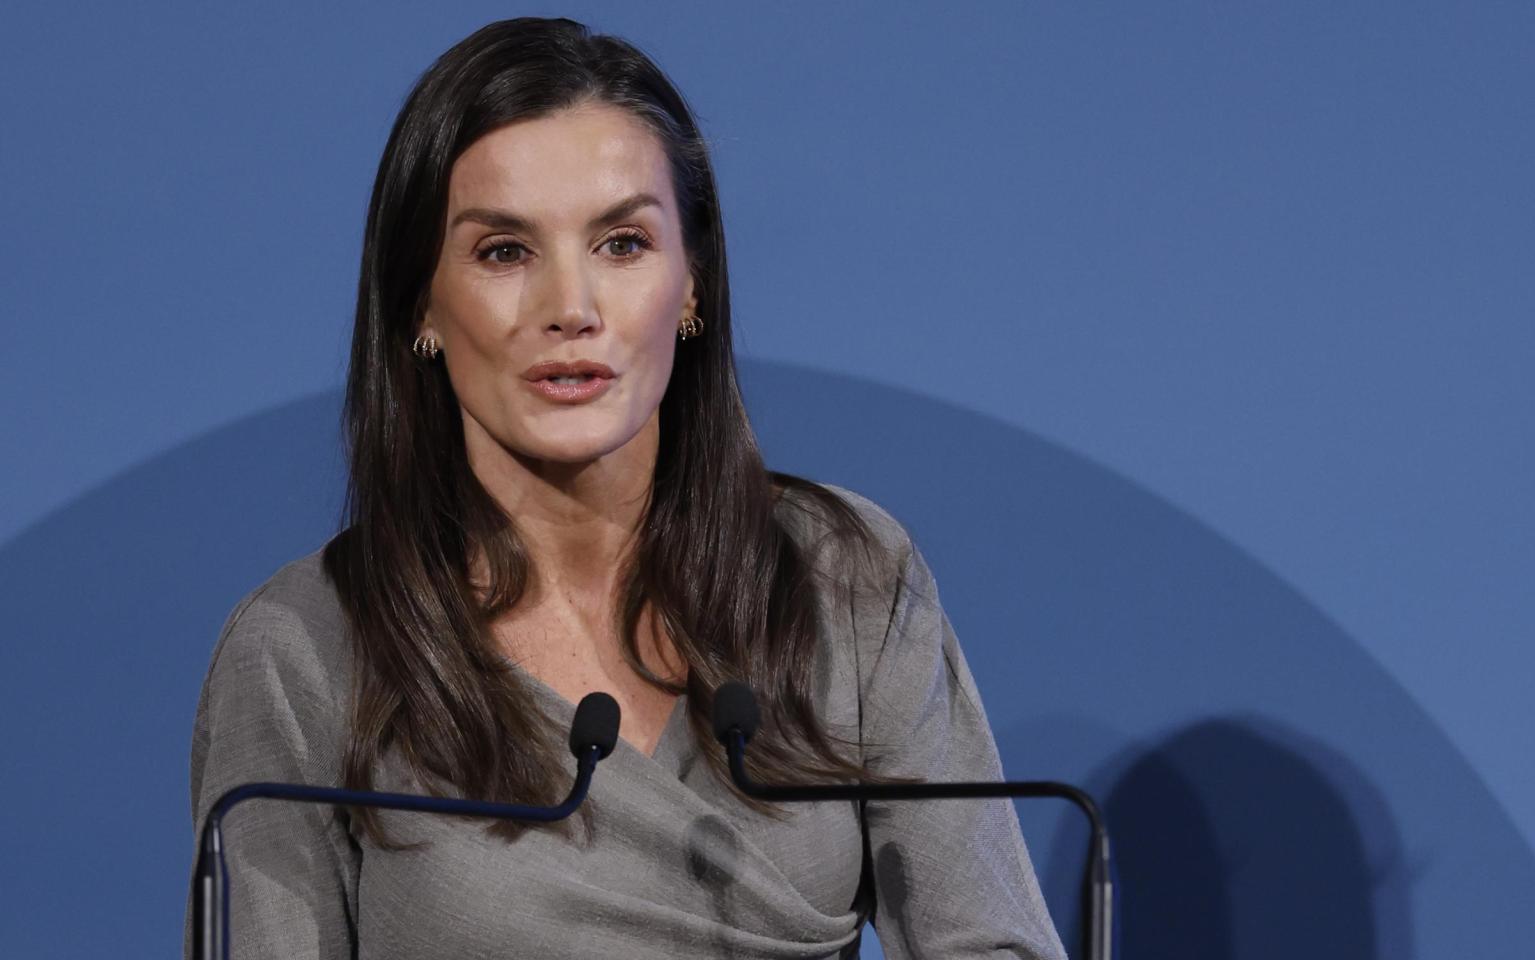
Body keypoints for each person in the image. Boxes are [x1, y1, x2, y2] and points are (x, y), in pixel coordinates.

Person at [185, 16, 1065, 959]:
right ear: (420, 305)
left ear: (691, 284)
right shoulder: (304, 650)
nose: (571, 309)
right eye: (504, 251)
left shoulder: (844, 577)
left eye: (621, 243)